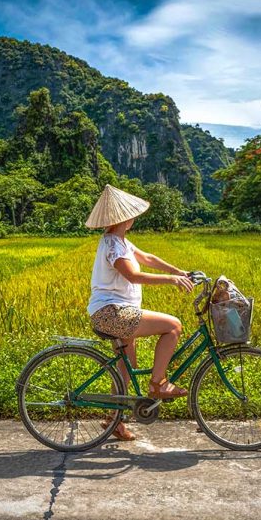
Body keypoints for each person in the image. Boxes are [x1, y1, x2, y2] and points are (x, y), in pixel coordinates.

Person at [85, 184, 194, 441]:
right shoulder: (113, 245)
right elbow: (132, 275)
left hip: (116, 312)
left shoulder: (120, 241)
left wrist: (178, 271)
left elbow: (149, 258)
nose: (134, 218)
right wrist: (170, 281)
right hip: (112, 314)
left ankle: (114, 421)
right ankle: (158, 383)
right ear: (125, 218)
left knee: (125, 368)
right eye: (132, 214)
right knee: (173, 326)